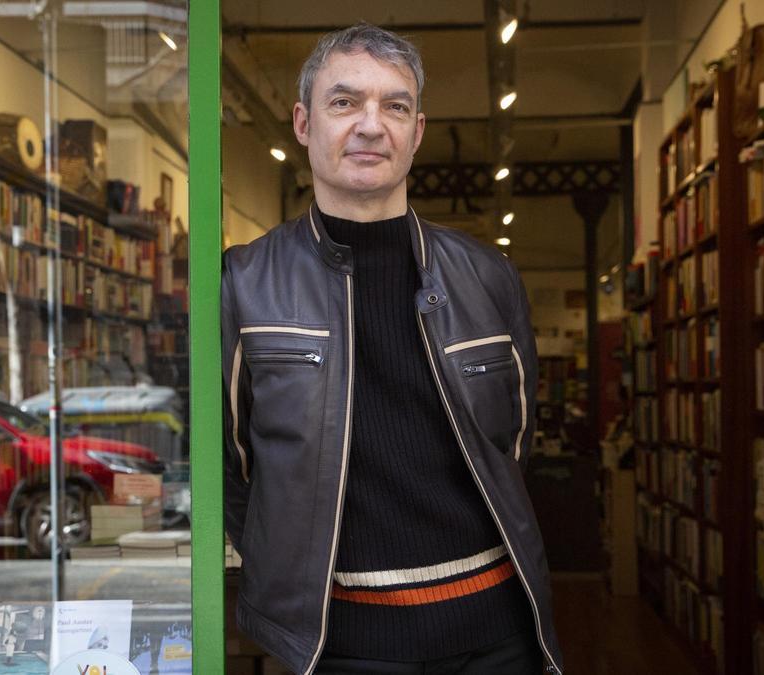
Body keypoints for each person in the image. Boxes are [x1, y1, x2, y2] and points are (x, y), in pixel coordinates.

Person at [220, 23, 563, 675]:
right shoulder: (245, 283)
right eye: (344, 102)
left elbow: (512, 445)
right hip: (341, 643)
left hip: (497, 635)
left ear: (417, 131)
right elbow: (233, 471)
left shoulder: (488, 277)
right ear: (302, 122)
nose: (371, 125)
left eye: (395, 105)